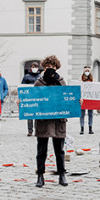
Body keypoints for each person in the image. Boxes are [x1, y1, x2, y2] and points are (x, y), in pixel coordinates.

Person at [33, 55, 69, 187]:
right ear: (44, 67)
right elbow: (32, 101)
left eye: (53, 67)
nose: (50, 69)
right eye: (48, 66)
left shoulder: (61, 82)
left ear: (57, 68)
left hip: (58, 121)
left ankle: (62, 174)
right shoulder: (39, 83)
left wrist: (76, 102)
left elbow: (68, 99)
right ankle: (40, 175)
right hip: (44, 121)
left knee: (59, 150)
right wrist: (22, 102)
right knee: (41, 150)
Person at [21, 62, 41, 136]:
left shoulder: (40, 77)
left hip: (38, 98)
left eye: (36, 67)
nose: (34, 68)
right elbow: (22, 87)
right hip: (29, 98)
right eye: (33, 67)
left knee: (38, 115)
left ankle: (38, 130)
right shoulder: (26, 77)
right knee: (30, 115)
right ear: (30, 68)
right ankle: (30, 130)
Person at [80, 65, 94, 135]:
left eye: (88, 71)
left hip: (90, 99)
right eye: (86, 71)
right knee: (82, 115)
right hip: (83, 99)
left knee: (90, 114)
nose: (87, 72)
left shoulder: (92, 79)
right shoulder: (80, 79)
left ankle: (90, 128)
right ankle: (82, 128)